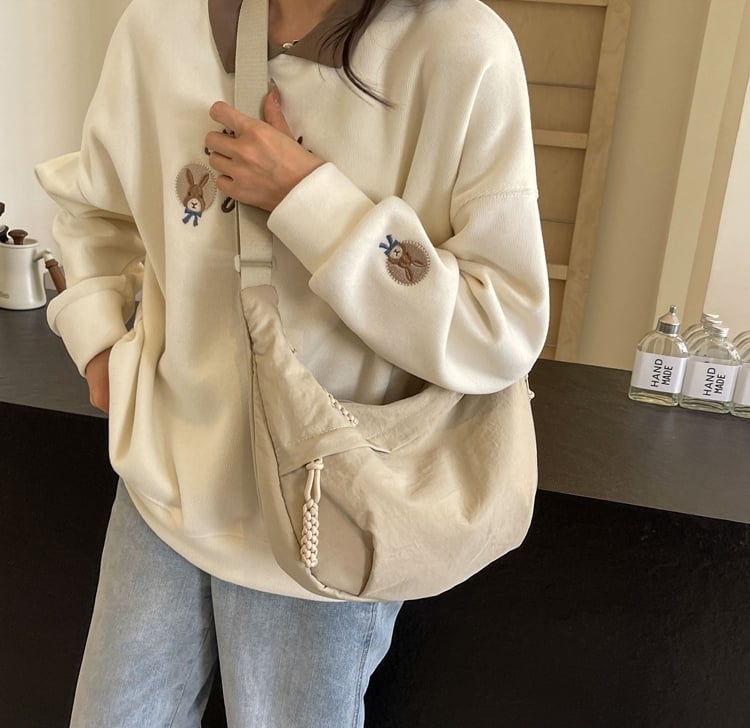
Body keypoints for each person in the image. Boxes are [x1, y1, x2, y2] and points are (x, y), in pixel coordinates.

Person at [36, 0, 549, 724]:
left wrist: (310, 199)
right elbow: (95, 208)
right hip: (164, 481)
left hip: (329, 511)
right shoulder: (161, 24)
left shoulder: (462, 49)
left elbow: (499, 328)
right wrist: (95, 344)